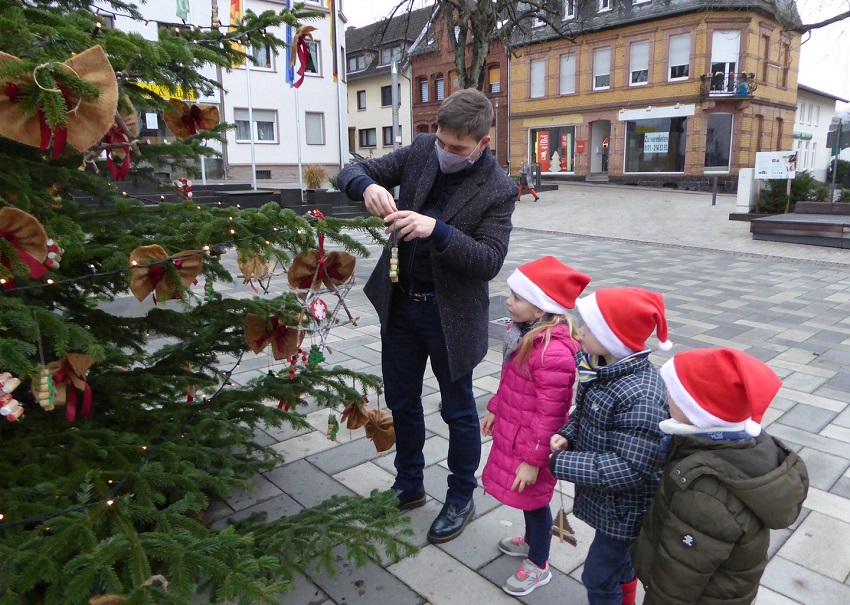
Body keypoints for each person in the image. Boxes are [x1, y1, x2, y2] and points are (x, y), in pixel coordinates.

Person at [337, 88, 518, 544]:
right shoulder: (422, 151)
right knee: (402, 401)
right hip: (401, 305)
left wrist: (437, 230)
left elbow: (489, 261)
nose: (446, 153)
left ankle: (460, 496)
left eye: (457, 148)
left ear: (482, 141)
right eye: (441, 142)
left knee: (458, 412)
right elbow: (351, 169)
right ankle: (409, 484)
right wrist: (369, 186)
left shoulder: (498, 188)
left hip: (450, 317)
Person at [632, 348, 809, 605]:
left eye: (673, 390)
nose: (666, 395)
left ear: (697, 411)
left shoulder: (706, 495)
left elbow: (678, 581)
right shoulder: (742, 444)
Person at [549, 287, 672, 605]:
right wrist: (568, 434)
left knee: (597, 576)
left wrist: (562, 463)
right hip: (611, 502)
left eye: (589, 327)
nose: (582, 332)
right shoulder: (601, 368)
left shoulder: (640, 395)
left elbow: (630, 467)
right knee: (620, 563)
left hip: (625, 508)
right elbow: (587, 414)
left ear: (613, 337)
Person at [481, 256, 591, 596]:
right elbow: (510, 383)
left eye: (516, 297)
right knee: (529, 500)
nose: (509, 302)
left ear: (541, 309)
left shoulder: (551, 353)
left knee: (536, 502)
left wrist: (533, 460)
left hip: (533, 446)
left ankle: (538, 563)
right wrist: (496, 409)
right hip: (516, 434)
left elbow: (551, 416)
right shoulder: (523, 335)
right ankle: (531, 539)